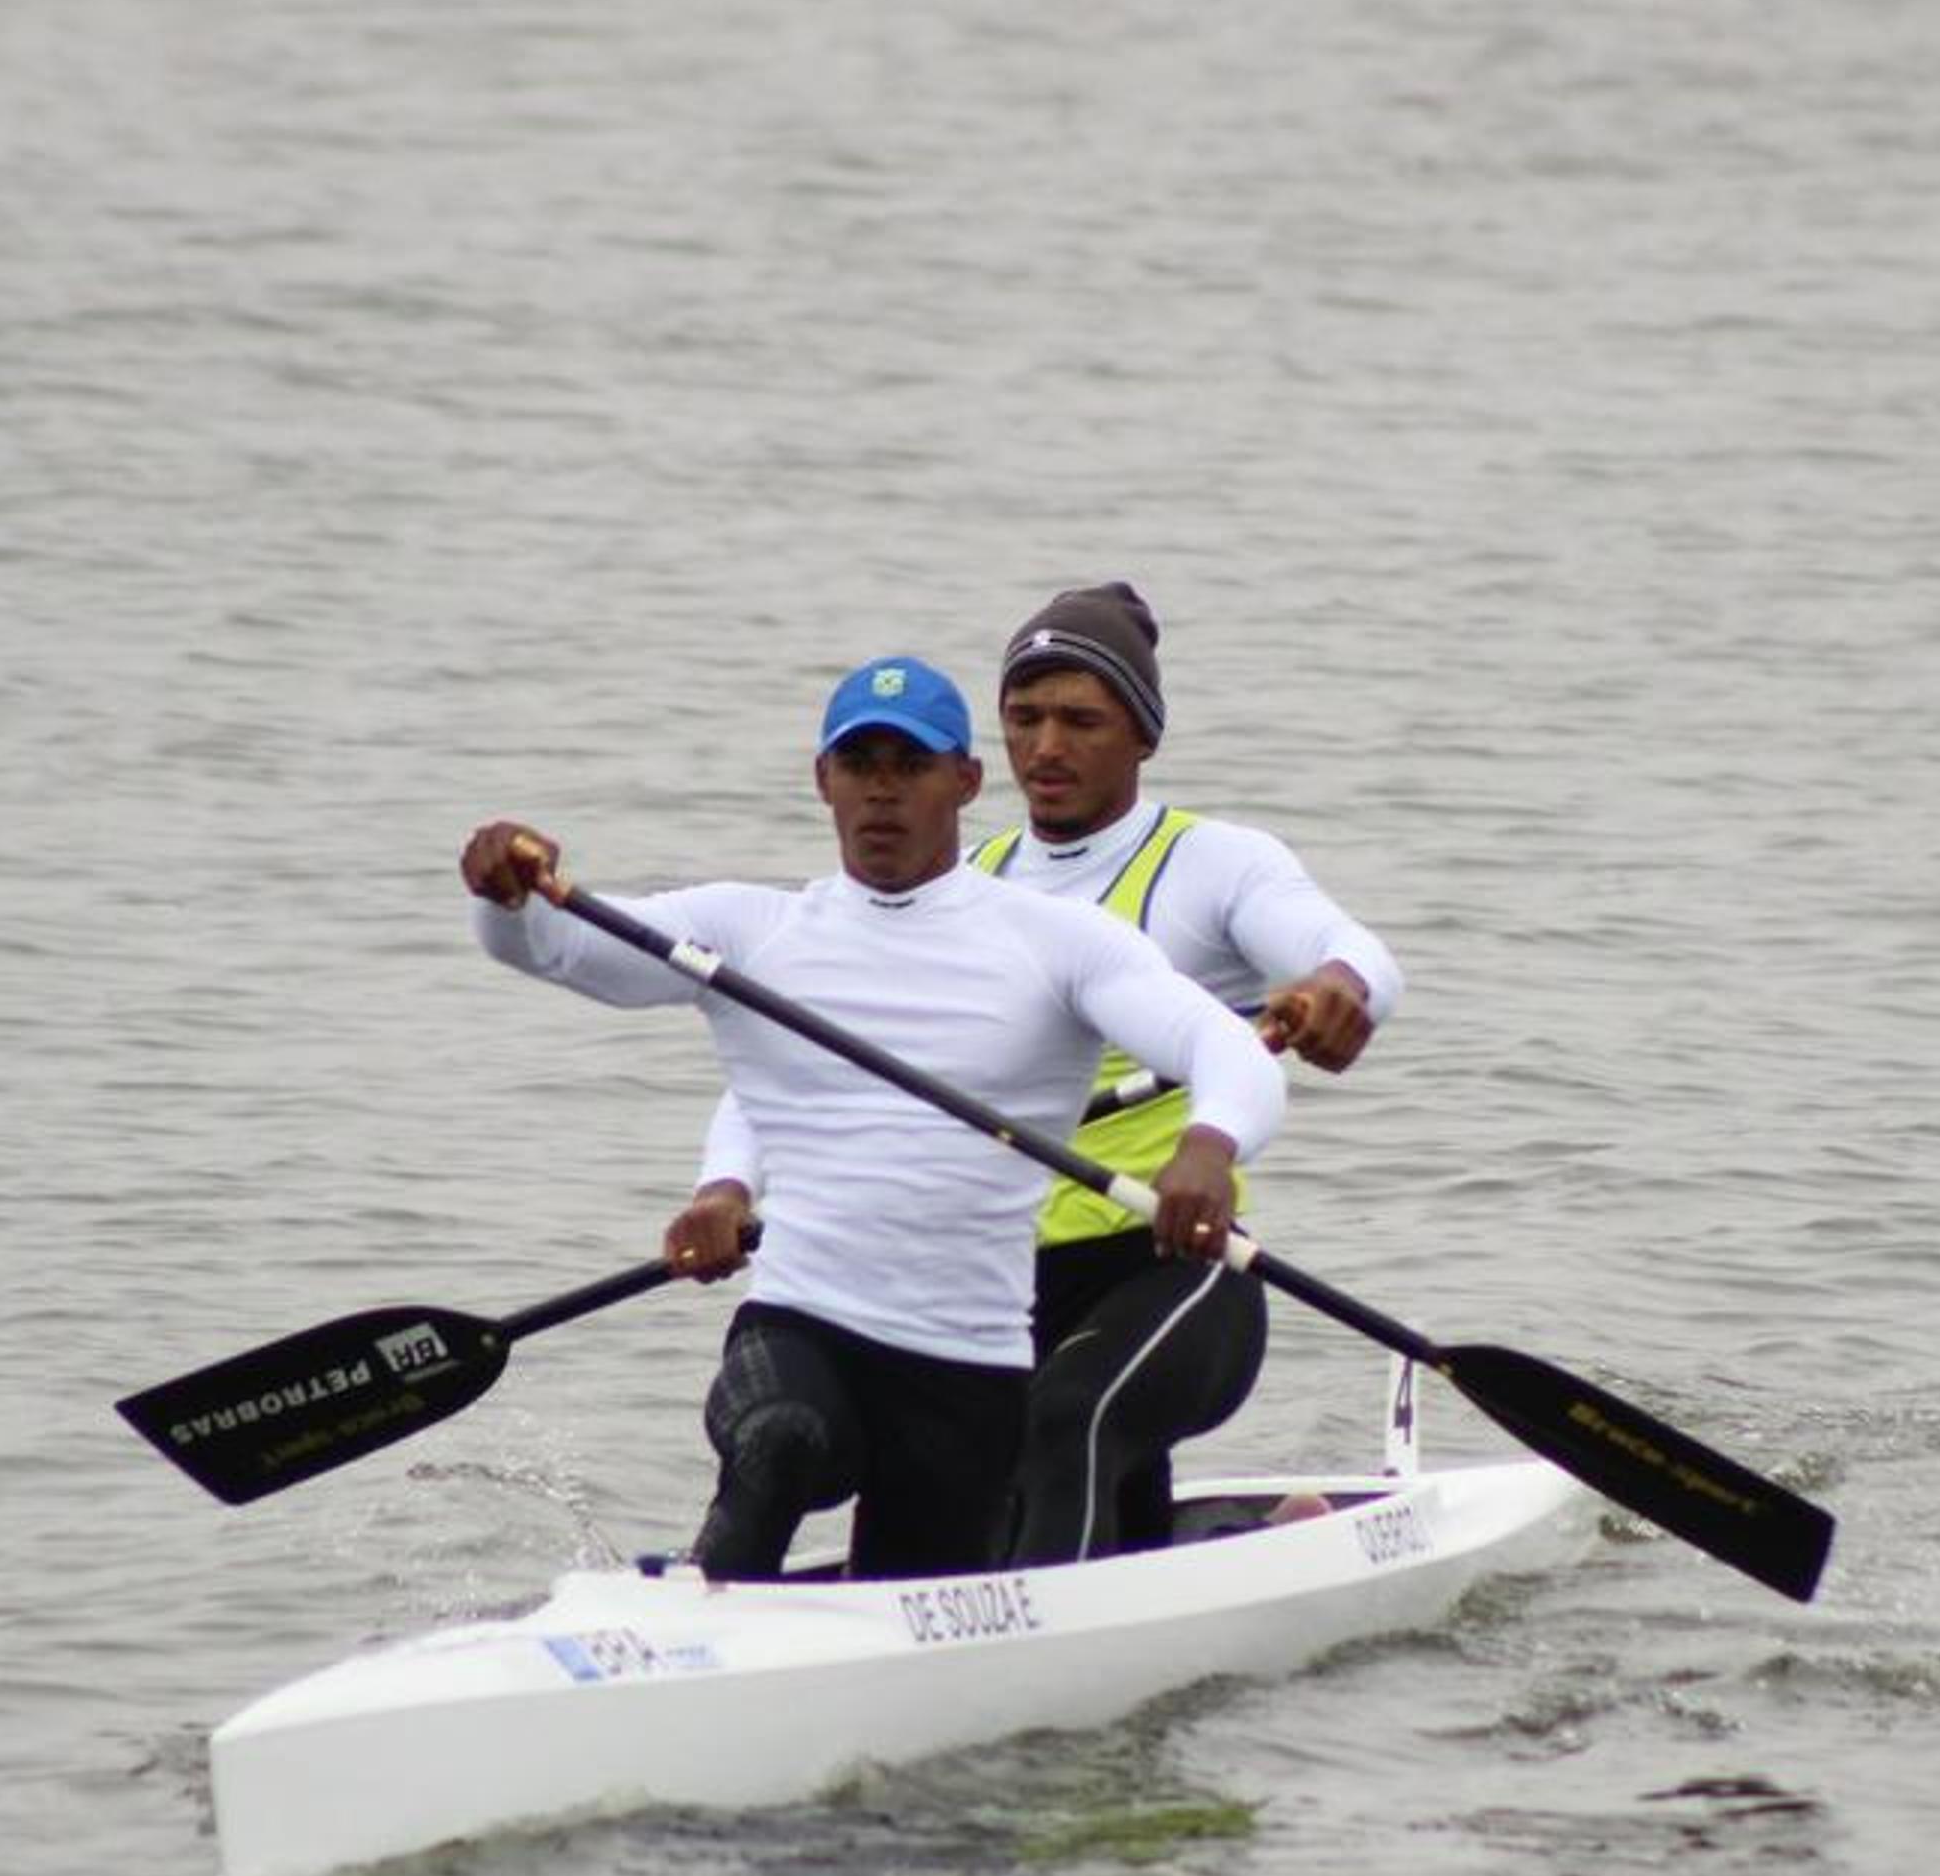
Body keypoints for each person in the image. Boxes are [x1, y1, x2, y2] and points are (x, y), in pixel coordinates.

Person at [459, 654, 1283, 1585]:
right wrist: (505, 897)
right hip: (803, 1326)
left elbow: (1230, 1052)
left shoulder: (1058, 944)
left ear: (966, 781)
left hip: (966, 1369)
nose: (883, 791)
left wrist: (1209, 1147)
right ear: (823, 781)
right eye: (860, 764)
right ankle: (696, 1622)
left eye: (911, 764)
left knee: (920, 1582)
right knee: (781, 1440)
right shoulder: (749, 932)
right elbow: (560, 948)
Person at [982, 580, 1405, 1561]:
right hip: (999, 1285)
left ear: (1142, 735)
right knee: (962, 1475)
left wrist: (1334, 986)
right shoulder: (971, 882)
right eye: (1024, 718)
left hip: (1176, 1272)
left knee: (1071, 1416)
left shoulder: (1213, 865)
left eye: (1081, 720)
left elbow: (1357, 952)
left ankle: (1045, 1677)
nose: (1047, 749)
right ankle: (1216, 1544)